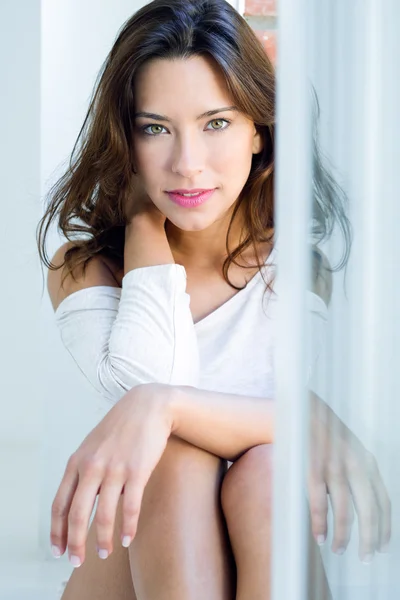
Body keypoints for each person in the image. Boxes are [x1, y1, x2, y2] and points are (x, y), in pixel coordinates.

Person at [37, 1, 390, 599]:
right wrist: (146, 229)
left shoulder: (298, 272)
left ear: (259, 129)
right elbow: (153, 384)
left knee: (268, 474)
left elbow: (173, 402)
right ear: (126, 140)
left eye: (216, 123)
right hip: (128, 576)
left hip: (263, 530)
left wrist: (165, 405)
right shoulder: (86, 268)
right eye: (155, 128)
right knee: (174, 462)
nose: (186, 163)